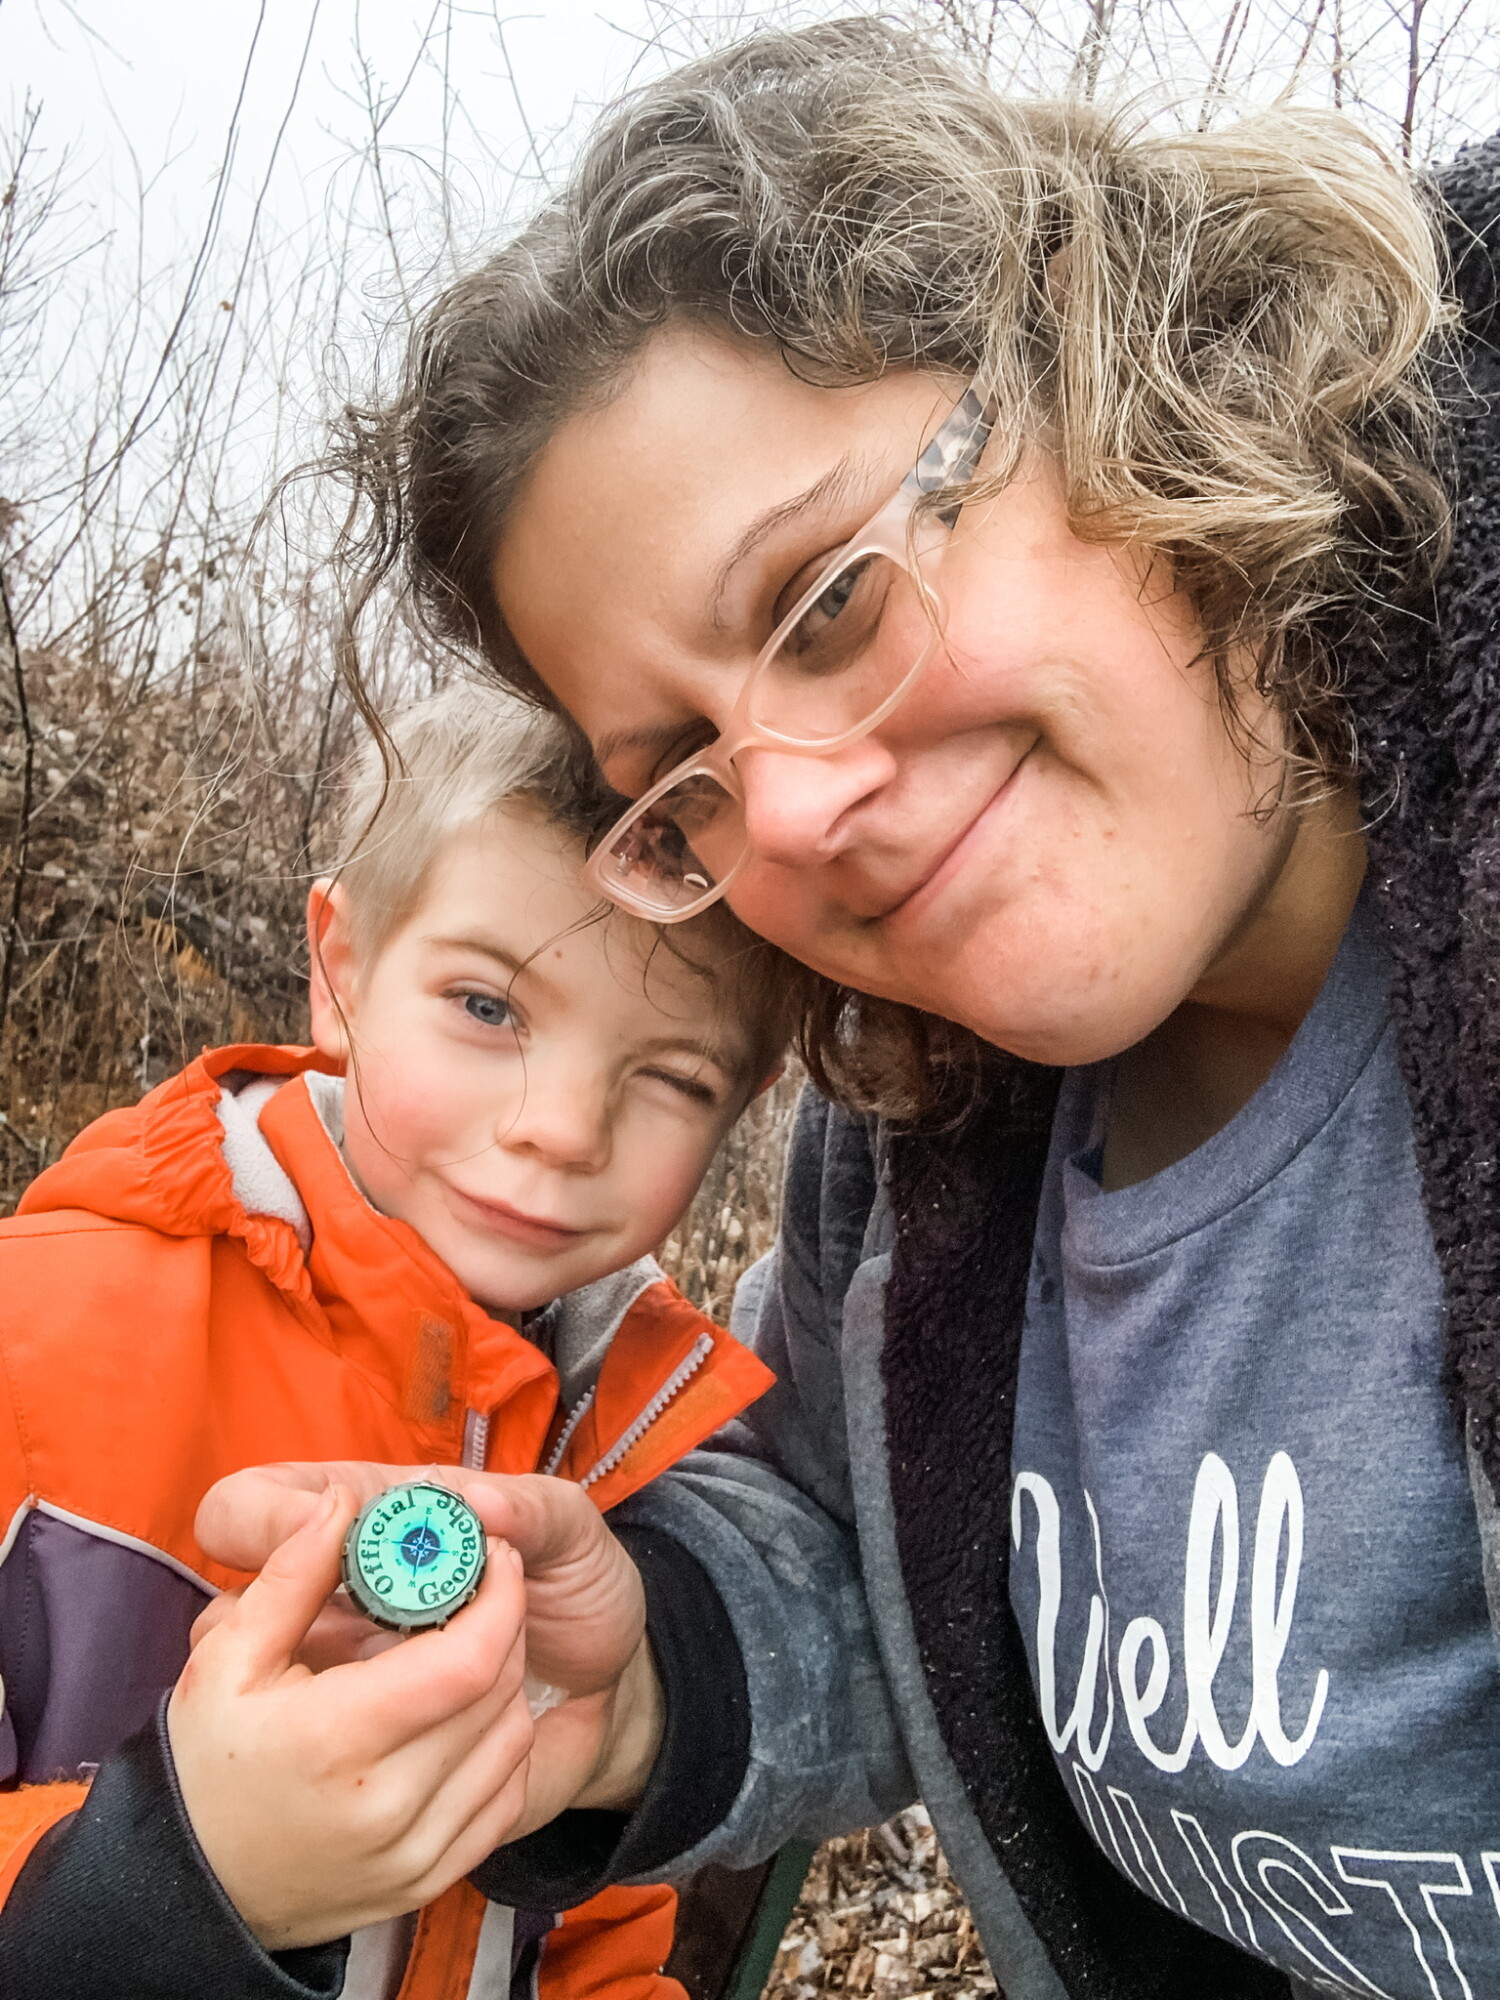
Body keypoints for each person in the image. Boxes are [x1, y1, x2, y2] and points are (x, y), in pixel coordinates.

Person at [197, 19, 1500, 2000]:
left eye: (828, 604)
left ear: (1110, 354)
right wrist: (632, 1655)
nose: (791, 815)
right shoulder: (918, 1146)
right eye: (688, 780)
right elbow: (858, 1539)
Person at [0, 683, 801, 2000]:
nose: (562, 1128)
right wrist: (177, 1872)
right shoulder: (35, 1339)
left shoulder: (624, 1433)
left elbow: (599, 1917)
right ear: (342, 969)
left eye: (671, 1075)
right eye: (489, 1008)